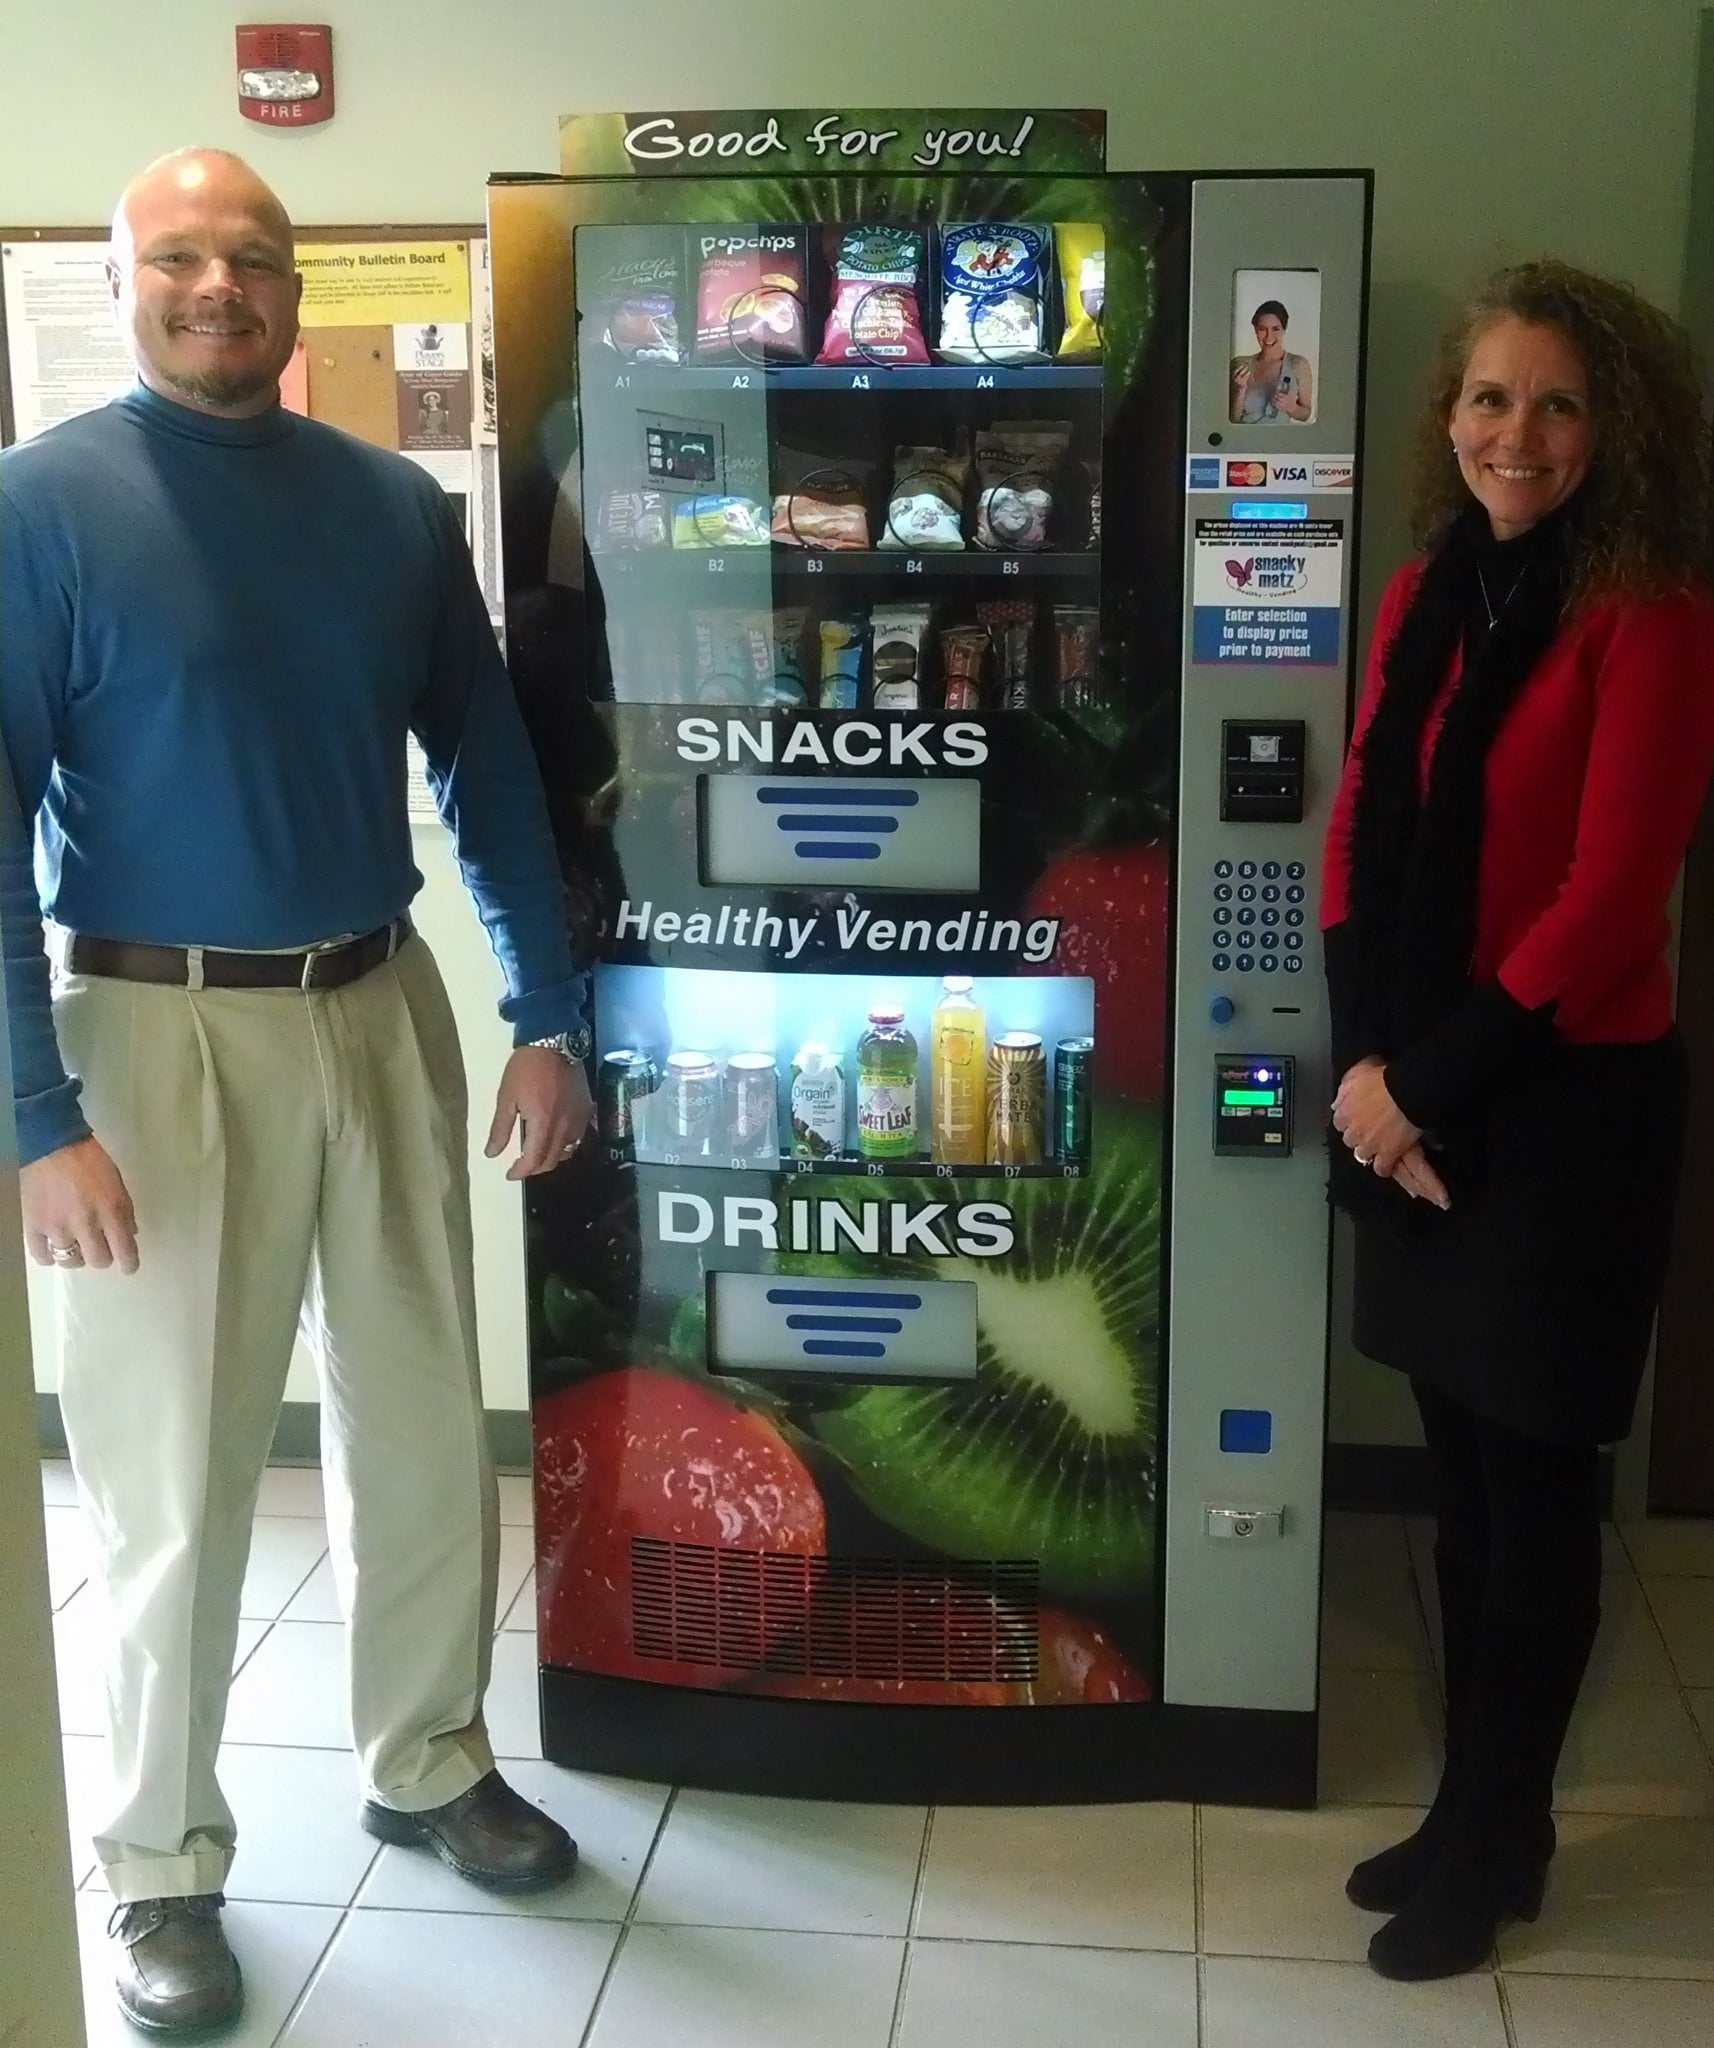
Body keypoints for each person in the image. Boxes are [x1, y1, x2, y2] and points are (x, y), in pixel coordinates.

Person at [0, 149, 596, 2037]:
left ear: (293, 288)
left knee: (421, 1412)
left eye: (249, 257)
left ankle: (425, 1755)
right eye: (176, 255)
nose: (216, 285)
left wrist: (545, 1006)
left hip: (376, 999)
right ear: (120, 278)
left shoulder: (391, 509)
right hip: (151, 1039)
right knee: (170, 1476)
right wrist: (34, 1117)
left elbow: (489, 763)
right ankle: (159, 1858)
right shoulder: (40, 507)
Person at [1321, 260, 1714, 1982]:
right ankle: (1484, 1812)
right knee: (1457, 1484)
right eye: (1488, 396)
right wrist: (1364, 1072)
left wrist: (1415, 1085)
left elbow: (1610, 894)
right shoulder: (1421, 596)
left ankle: (1490, 1834)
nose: (1514, 432)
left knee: (1538, 1491)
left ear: (1608, 426)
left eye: (1554, 401)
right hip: (1413, 1097)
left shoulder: (1651, 610)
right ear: (1449, 418)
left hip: (1557, 1114)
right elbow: (1353, 828)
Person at [1230, 298, 1314, 422]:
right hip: (1243, 439)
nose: (1269, 336)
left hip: (1278, 440)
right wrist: (1240, 390)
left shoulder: (1298, 364)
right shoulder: (1240, 364)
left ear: (1284, 330)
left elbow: (1306, 414)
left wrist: (1293, 408)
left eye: (1275, 329)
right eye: (1262, 329)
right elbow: (1232, 420)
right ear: (1255, 331)